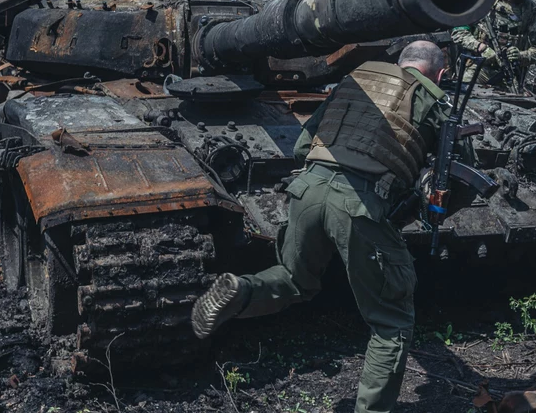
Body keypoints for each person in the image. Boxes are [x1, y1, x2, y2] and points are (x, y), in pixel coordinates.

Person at [190, 40, 474, 413]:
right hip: (359, 204)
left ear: (400, 62)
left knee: (295, 279)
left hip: (307, 189)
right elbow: (460, 179)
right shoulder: (435, 101)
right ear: (440, 73)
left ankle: (241, 290)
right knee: (391, 322)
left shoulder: (355, 80)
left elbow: (303, 144)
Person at [451, 0, 536, 89]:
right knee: (464, 99)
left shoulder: (531, 11)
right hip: (479, 68)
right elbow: (458, 30)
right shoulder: (485, 1)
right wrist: (479, 47)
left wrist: (521, 55)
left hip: (511, 73)